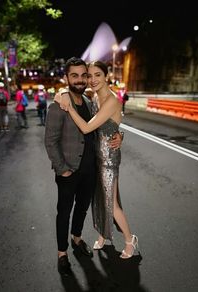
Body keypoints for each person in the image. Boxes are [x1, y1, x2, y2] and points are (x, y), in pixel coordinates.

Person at [44, 57, 122, 276]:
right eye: (74, 75)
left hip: (90, 169)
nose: (80, 80)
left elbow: (102, 127)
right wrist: (62, 169)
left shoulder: (89, 102)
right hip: (68, 170)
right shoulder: (59, 104)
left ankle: (77, 239)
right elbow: (50, 140)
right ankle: (62, 253)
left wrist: (119, 135)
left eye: (83, 75)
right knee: (64, 212)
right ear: (67, 77)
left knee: (82, 208)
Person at [56, 60, 138, 261]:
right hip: (95, 158)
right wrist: (60, 93)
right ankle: (103, 235)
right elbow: (111, 126)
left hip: (109, 159)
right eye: (89, 76)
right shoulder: (94, 98)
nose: (92, 80)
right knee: (99, 199)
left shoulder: (110, 100)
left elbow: (86, 128)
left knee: (111, 203)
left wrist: (68, 108)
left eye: (97, 75)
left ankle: (130, 240)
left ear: (106, 76)